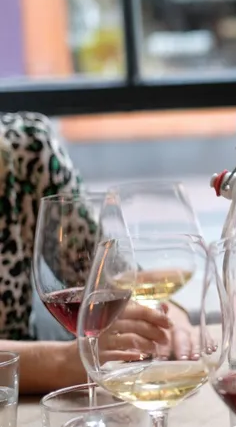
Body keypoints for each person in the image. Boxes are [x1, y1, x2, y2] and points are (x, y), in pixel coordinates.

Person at [0, 112, 195, 393]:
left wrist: (164, 313)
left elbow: (105, 271)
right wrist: (59, 362)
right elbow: (68, 360)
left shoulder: (27, 147)